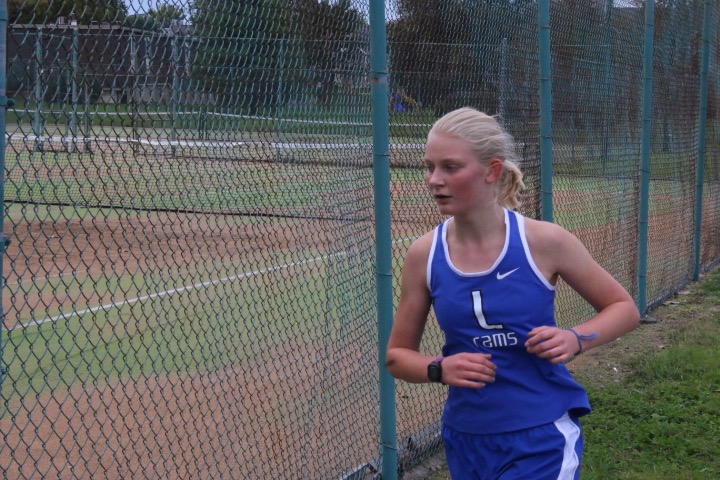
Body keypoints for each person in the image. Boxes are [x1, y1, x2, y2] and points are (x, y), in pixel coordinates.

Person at [386, 107, 641, 479]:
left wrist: (575, 339)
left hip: (541, 436)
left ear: (492, 170)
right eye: (429, 167)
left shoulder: (544, 241)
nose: (434, 180)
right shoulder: (424, 254)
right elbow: (397, 357)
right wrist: (439, 368)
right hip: (466, 437)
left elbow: (624, 308)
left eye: (450, 167)